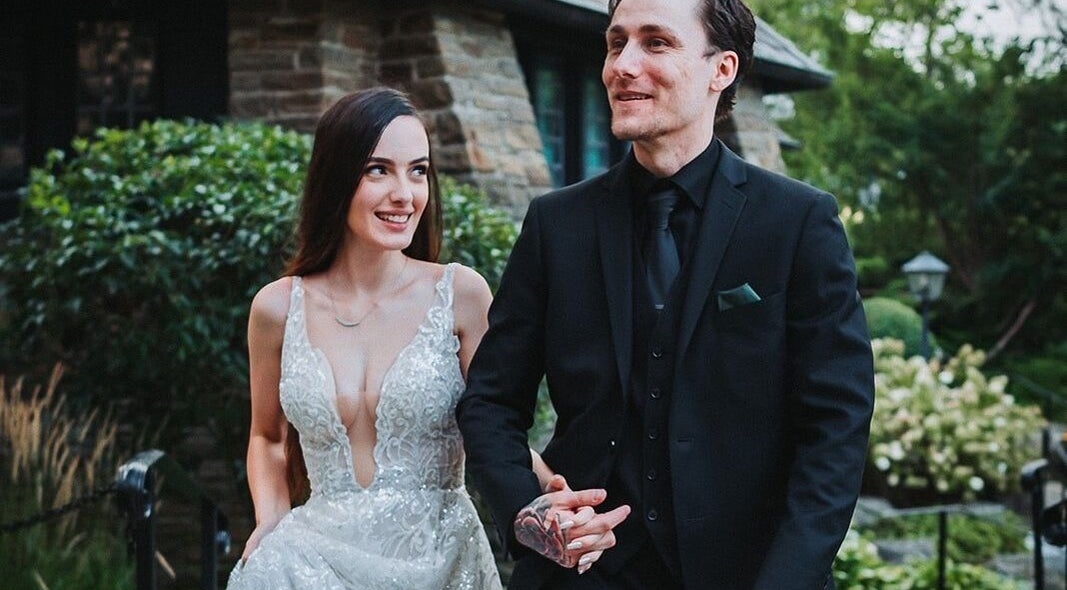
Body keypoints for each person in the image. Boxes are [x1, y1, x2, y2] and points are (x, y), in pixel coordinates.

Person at [456, 0, 876, 588]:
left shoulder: (798, 222)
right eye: (616, 42)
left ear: (721, 69)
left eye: (656, 43)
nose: (622, 65)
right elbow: (490, 402)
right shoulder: (557, 224)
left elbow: (836, 428)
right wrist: (529, 516)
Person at [228, 87, 504, 589]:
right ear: (336, 178)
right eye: (379, 170)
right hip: (311, 565)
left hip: (441, 561)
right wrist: (271, 519)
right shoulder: (276, 307)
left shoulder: (461, 295)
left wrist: (548, 493)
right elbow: (266, 436)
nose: (405, 194)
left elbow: (498, 429)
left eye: (418, 171)